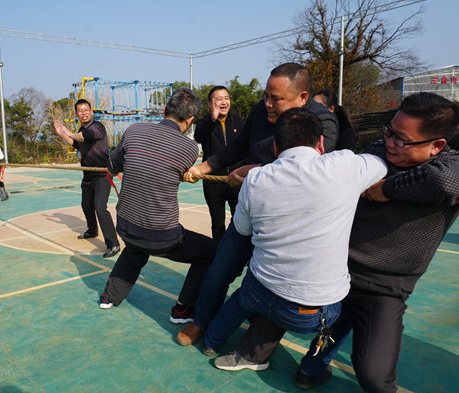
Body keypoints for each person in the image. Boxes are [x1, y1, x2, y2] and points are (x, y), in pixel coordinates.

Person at [292, 92, 459, 391]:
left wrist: (388, 188)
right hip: (339, 269)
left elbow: (444, 182)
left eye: (402, 140)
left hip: (385, 285)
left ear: (436, 145)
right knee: (308, 322)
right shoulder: (380, 150)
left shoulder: (451, 168)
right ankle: (313, 366)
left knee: (374, 378)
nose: (390, 143)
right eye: (390, 131)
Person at [200, 108, 386, 372]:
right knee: (353, 310)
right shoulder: (346, 165)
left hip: (260, 292)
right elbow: (382, 164)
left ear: (276, 147)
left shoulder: (255, 179)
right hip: (315, 314)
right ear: (321, 143)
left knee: (240, 298)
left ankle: (210, 341)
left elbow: (241, 229)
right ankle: (311, 369)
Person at [177, 62, 339, 346]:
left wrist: (255, 170)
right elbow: (238, 147)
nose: (267, 104)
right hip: (251, 211)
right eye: (266, 95)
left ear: (303, 98)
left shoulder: (321, 122)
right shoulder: (260, 111)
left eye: (276, 99)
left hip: (291, 226)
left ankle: (258, 335)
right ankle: (201, 321)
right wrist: (204, 167)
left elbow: (314, 171)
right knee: (219, 270)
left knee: (269, 283)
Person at [98, 88, 218, 324]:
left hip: (124, 225)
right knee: (211, 252)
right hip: (161, 235)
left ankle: (109, 297)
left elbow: (112, 166)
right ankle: (183, 310)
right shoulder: (190, 149)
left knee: (135, 247)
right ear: (190, 120)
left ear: (164, 110)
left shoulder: (134, 130)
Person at [54, 99, 120, 258]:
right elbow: (77, 144)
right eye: (80, 111)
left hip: (102, 174)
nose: (83, 113)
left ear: (91, 112)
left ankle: (113, 244)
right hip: (88, 175)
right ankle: (92, 230)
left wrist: (69, 132)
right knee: (86, 205)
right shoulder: (80, 130)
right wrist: (63, 134)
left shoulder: (97, 127)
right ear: (76, 114)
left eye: (86, 110)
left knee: (100, 207)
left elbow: (85, 136)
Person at [194, 86, 244, 241]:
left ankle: (239, 253)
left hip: (236, 180)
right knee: (217, 224)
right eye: (219, 99)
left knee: (241, 221)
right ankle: (219, 256)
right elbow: (199, 137)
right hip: (213, 182)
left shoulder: (238, 121)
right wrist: (212, 119)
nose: (224, 102)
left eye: (226, 98)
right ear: (210, 103)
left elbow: (245, 146)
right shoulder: (205, 123)